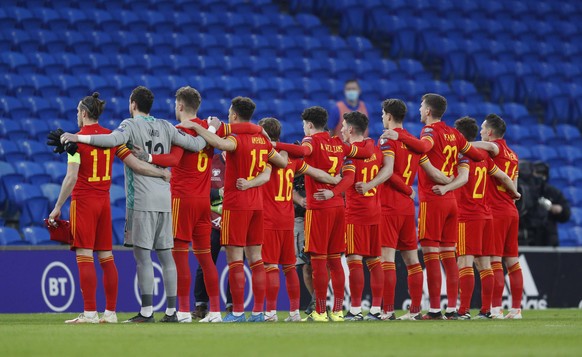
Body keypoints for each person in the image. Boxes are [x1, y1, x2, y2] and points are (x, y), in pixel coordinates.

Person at [60, 86, 208, 323]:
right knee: (167, 257)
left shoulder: (128, 126)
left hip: (141, 199)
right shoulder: (167, 126)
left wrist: (78, 137)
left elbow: (111, 140)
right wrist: (208, 128)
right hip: (165, 198)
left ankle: (147, 312)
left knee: (143, 257)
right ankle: (172, 312)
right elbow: (198, 145)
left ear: (132, 104)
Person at [131, 87, 263, 323]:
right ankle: (214, 311)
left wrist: (147, 157)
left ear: (180, 106)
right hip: (204, 202)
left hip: (182, 199)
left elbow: (173, 160)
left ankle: (182, 311)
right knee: (205, 259)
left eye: (175, 105)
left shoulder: (182, 129)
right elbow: (237, 133)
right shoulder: (208, 130)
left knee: (180, 257)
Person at [48, 92, 170, 324]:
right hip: (104, 203)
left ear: (84, 113)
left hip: (83, 201)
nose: (77, 116)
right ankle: (111, 313)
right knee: (106, 257)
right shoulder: (113, 138)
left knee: (84, 256)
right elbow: (137, 165)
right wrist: (162, 173)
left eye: (77, 112)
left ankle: (90, 313)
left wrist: (57, 207)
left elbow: (71, 178)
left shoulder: (76, 141)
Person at [180, 97, 288, 322]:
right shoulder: (261, 139)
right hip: (257, 207)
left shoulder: (237, 137)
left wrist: (198, 127)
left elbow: (221, 145)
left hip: (236, 206)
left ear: (235, 115)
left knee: (235, 260)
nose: (228, 116)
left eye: (230, 113)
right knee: (257, 260)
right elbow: (282, 163)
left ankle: (237, 312)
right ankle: (258, 312)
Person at [382, 93, 487, 320]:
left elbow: (422, 147)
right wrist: (452, 176)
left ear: (428, 111)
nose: (419, 110)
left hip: (434, 199)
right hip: (451, 201)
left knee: (431, 256)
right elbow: (477, 156)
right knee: (449, 257)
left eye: (421, 106)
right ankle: (453, 309)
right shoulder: (455, 134)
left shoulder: (429, 131)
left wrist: (400, 138)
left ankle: (435, 309)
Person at [273, 106, 374, 322]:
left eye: (304, 126)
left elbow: (301, 152)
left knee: (318, 263)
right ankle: (337, 311)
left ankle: (320, 311)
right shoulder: (339, 144)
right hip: (338, 207)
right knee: (336, 262)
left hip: (318, 208)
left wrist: (273, 144)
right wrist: (334, 191)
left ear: (309, 125)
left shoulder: (311, 141)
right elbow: (366, 153)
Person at [429, 117, 520, 319]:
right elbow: (504, 177)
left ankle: (463, 311)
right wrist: (515, 193)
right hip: (486, 214)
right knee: (484, 264)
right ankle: (488, 310)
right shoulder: (483, 158)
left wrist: (444, 187)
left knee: (464, 263)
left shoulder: (460, 158)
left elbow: (457, 178)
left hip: (468, 215)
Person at [249, 117, 338, 322]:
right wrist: (334, 179)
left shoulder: (265, 156)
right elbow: (316, 173)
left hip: (269, 219)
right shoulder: (292, 160)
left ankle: (270, 312)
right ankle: (294, 312)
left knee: (270, 266)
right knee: (289, 267)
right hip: (287, 218)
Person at [356, 99, 424, 320]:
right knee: (412, 261)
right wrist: (409, 190)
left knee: (386, 260)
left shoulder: (387, 139)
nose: (382, 117)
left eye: (383, 114)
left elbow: (388, 171)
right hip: (407, 208)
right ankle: (415, 310)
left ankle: (386, 310)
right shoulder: (413, 140)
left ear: (389, 116)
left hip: (388, 205)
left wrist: (371, 184)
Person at [333, 111, 384, 321]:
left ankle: (355, 310)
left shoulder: (351, 154)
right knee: (374, 261)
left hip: (356, 212)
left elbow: (348, 180)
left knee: (354, 260)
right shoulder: (377, 151)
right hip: (375, 211)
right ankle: (376, 309)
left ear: (351, 129)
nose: (342, 130)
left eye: (344, 126)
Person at [472, 114, 523, 319]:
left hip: (497, 212)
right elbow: (515, 189)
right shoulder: (513, 155)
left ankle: (495, 309)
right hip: (511, 210)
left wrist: (461, 142)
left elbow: (482, 148)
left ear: (490, 132)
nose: (481, 132)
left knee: (495, 260)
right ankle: (516, 309)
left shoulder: (496, 147)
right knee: (512, 261)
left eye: (483, 129)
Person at [530, 161, 570, 246]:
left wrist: (559, 210)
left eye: (542, 174)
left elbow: (566, 214)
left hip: (548, 238)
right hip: (529, 237)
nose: (539, 177)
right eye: (536, 173)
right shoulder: (526, 191)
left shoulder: (553, 192)